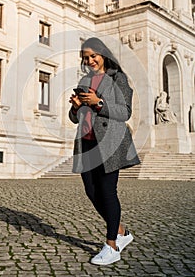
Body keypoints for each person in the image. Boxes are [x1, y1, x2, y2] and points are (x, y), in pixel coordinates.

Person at [69, 37, 140, 265]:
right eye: (85, 58)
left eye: (93, 56)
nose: (90, 61)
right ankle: (121, 230)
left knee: (108, 192)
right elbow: (74, 118)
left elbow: (125, 111)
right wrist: (76, 107)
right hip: (86, 142)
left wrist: (98, 102)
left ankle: (112, 245)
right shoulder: (84, 79)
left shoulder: (118, 78)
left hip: (110, 143)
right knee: (91, 192)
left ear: (102, 54)